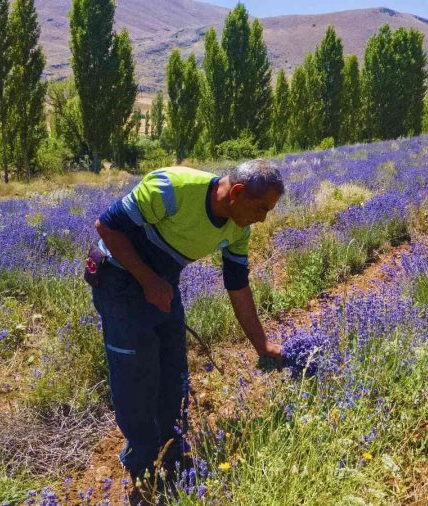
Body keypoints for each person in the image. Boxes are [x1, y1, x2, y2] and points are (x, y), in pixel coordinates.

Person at [90, 159, 284, 493]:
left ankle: (172, 448)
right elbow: (106, 226)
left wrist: (261, 345)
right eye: (261, 208)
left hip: (162, 283)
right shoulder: (171, 189)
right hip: (118, 279)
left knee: (173, 369)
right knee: (136, 374)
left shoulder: (239, 228)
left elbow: (238, 285)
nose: (263, 218)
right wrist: (148, 281)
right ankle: (141, 464)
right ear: (236, 192)